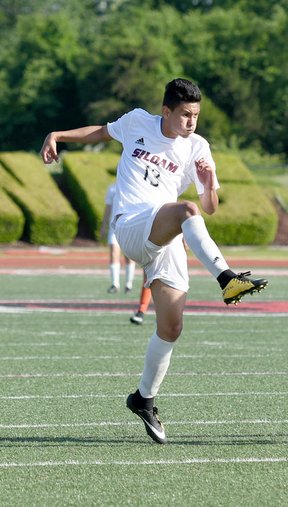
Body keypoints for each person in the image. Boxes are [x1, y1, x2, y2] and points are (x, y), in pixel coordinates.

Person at [40, 78, 268, 444]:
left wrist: (209, 184)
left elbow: (210, 206)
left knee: (171, 327)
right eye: (184, 114)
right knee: (185, 208)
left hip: (166, 236)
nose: (191, 122)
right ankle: (227, 278)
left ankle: (143, 398)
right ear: (166, 111)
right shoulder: (137, 122)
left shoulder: (198, 147)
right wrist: (58, 135)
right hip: (132, 224)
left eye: (196, 115)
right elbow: (100, 133)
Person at [100, 182, 136, 294]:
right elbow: (108, 208)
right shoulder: (112, 188)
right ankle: (115, 284)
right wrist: (104, 226)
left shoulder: (134, 186)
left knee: (129, 256)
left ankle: (128, 284)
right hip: (114, 227)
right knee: (113, 254)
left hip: (129, 226)